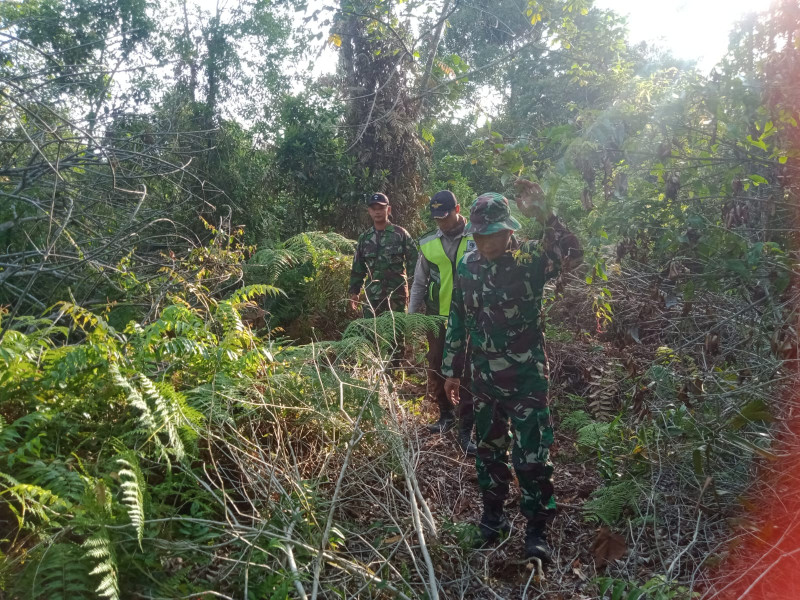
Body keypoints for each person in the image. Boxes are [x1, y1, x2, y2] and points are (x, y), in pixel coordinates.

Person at [441, 181, 583, 563]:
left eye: (494, 235)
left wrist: (546, 213)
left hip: (526, 379)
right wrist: (451, 369)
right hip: (483, 379)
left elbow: (574, 253)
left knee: (532, 456)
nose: (486, 243)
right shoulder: (467, 265)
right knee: (488, 452)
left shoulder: (531, 260)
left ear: (508, 231)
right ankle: (493, 518)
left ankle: (536, 530)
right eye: (480, 236)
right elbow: (458, 317)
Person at [409, 191, 477, 455]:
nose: (442, 223)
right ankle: (445, 415)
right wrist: (412, 317)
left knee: (467, 370)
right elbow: (419, 283)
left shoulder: (477, 235)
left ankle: (467, 426)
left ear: (457, 209)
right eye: (437, 218)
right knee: (436, 365)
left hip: (471, 316)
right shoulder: (428, 244)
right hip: (437, 317)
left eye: (446, 217)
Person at [348, 193, 417, 317]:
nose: (377, 212)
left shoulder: (400, 234)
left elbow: (414, 263)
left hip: (397, 296)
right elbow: (358, 267)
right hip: (372, 297)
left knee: (397, 333)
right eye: (374, 209)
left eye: (381, 208)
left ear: (388, 209)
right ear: (369, 211)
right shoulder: (365, 238)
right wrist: (355, 291)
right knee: (371, 333)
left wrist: (414, 290)